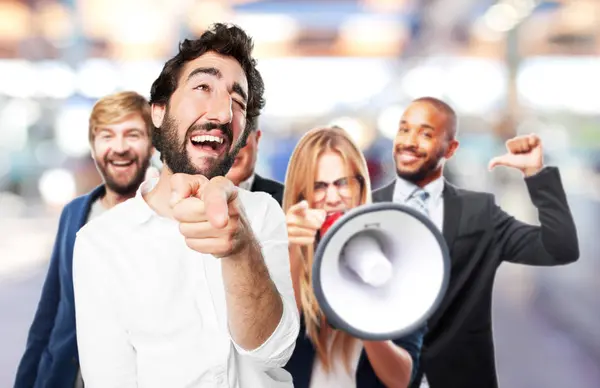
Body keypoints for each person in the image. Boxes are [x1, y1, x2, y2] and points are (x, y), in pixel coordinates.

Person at [72, 23, 299, 388]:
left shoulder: (263, 213)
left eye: (237, 102)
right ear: (158, 112)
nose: (224, 113)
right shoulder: (99, 243)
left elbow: (275, 351)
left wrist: (240, 248)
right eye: (203, 87)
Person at [372, 96, 579, 388]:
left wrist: (537, 175)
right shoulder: (364, 211)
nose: (409, 141)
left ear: (451, 148)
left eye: (426, 134)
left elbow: (559, 248)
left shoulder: (480, 213)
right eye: (404, 130)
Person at [14, 91, 154, 388]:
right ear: (93, 147)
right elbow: (49, 311)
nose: (119, 148)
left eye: (132, 135)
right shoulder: (75, 213)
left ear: (152, 145)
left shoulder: (170, 218)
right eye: (107, 136)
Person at [282, 126, 425, 388]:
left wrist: (363, 316)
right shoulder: (275, 252)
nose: (333, 198)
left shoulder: (397, 258)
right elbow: (269, 347)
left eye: (343, 183)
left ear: (361, 187)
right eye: (319, 186)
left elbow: (402, 378)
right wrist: (292, 251)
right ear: (301, 194)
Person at [225, 116, 284, 205]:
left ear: (257, 139)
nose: (232, 148)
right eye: (222, 138)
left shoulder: (286, 200)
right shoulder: (196, 199)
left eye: (241, 136)